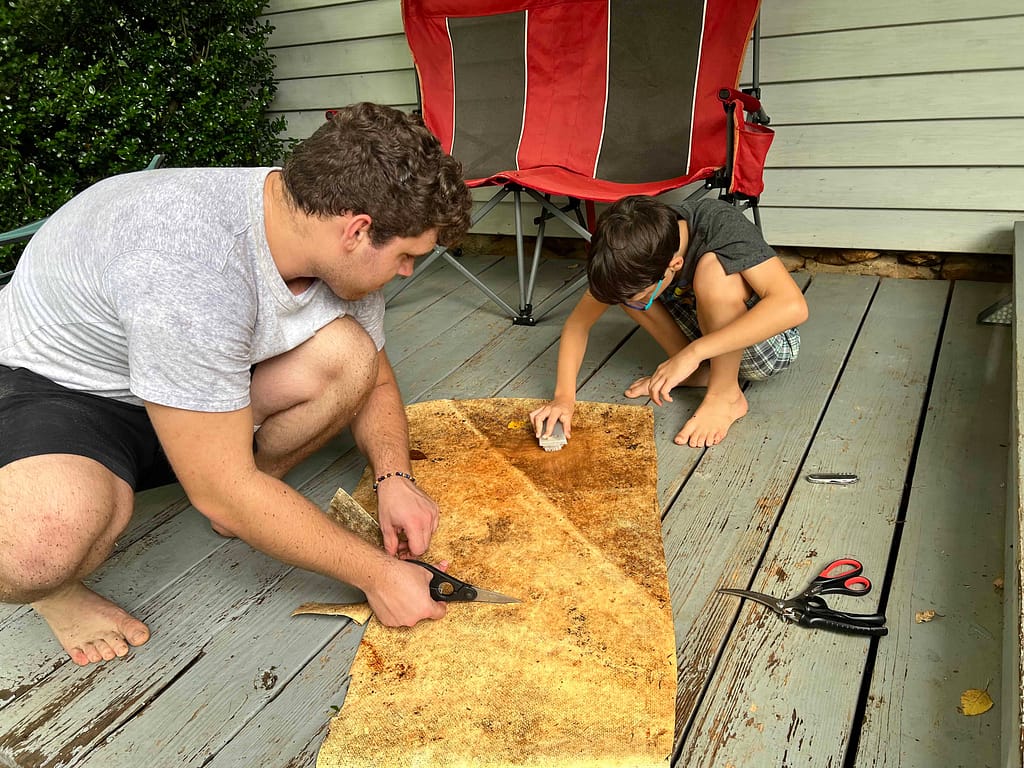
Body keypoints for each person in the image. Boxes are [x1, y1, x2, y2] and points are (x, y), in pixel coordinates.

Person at [0, 102, 473, 666]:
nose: (406, 273)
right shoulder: (191, 265)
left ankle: (249, 494)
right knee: (33, 550)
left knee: (349, 355)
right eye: (406, 258)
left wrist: (394, 476)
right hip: (71, 390)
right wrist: (379, 574)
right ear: (358, 230)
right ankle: (58, 595)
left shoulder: (320, 223)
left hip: (201, 387)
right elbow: (218, 483)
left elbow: (373, 376)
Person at [530, 195, 807, 449]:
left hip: (766, 348)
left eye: (644, 296)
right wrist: (563, 398)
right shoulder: (635, 249)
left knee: (714, 272)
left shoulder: (719, 223)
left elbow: (793, 306)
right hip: (704, 342)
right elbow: (578, 325)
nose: (636, 304)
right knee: (625, 293)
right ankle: (696, 373)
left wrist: (693, 353)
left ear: (673, 266)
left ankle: (726, 395)